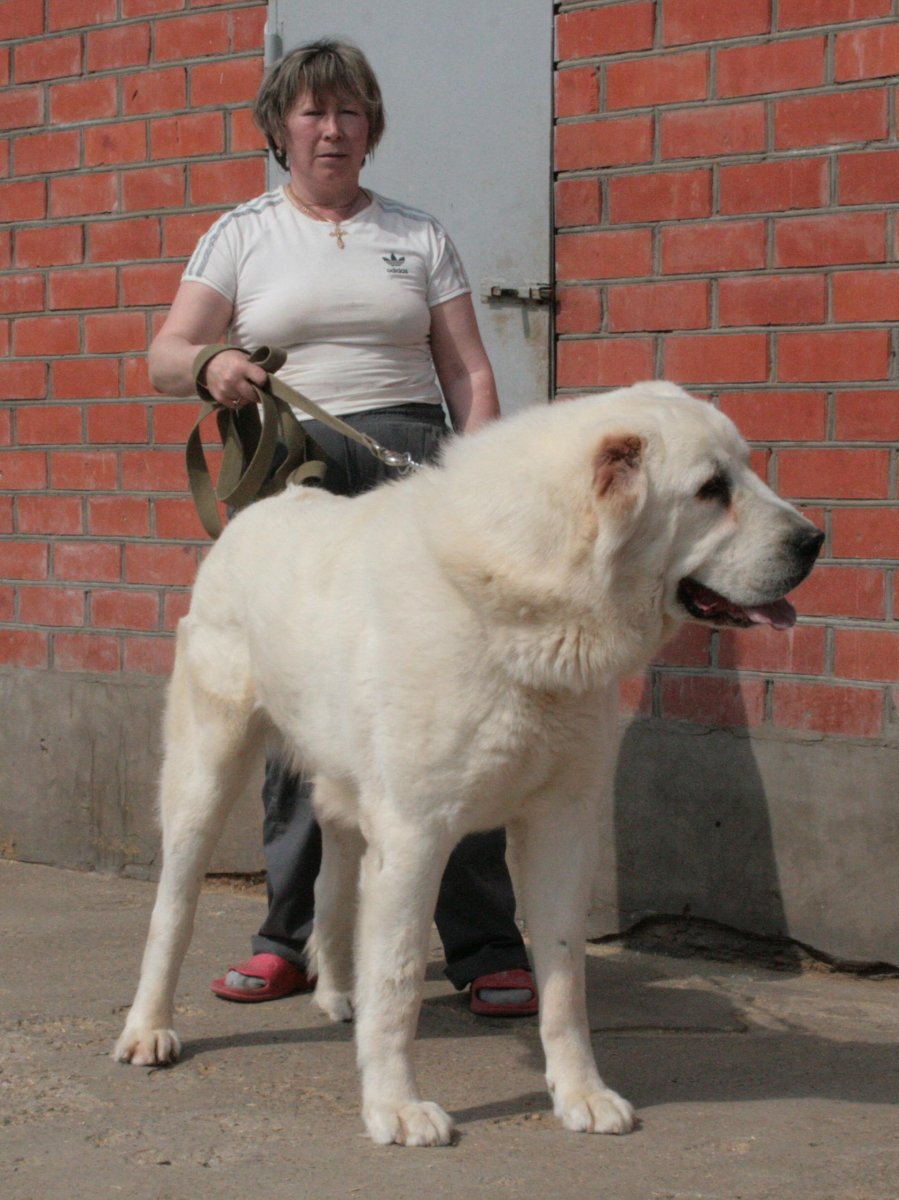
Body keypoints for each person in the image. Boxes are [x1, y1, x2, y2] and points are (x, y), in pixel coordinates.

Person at [147, 39, 537, 1018]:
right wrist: (210, 371)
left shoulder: (419, 235)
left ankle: (485, 942)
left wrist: (470, 482)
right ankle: (291, 938)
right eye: (314, 113)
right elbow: (166, 351)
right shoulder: (239, 234)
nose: (332, 130)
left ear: (372, 129)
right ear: (279, 127)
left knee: (448, 706)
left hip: (410, 464)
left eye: (351, 113)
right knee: (292, 705)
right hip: (291, 468)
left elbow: (470, 375)